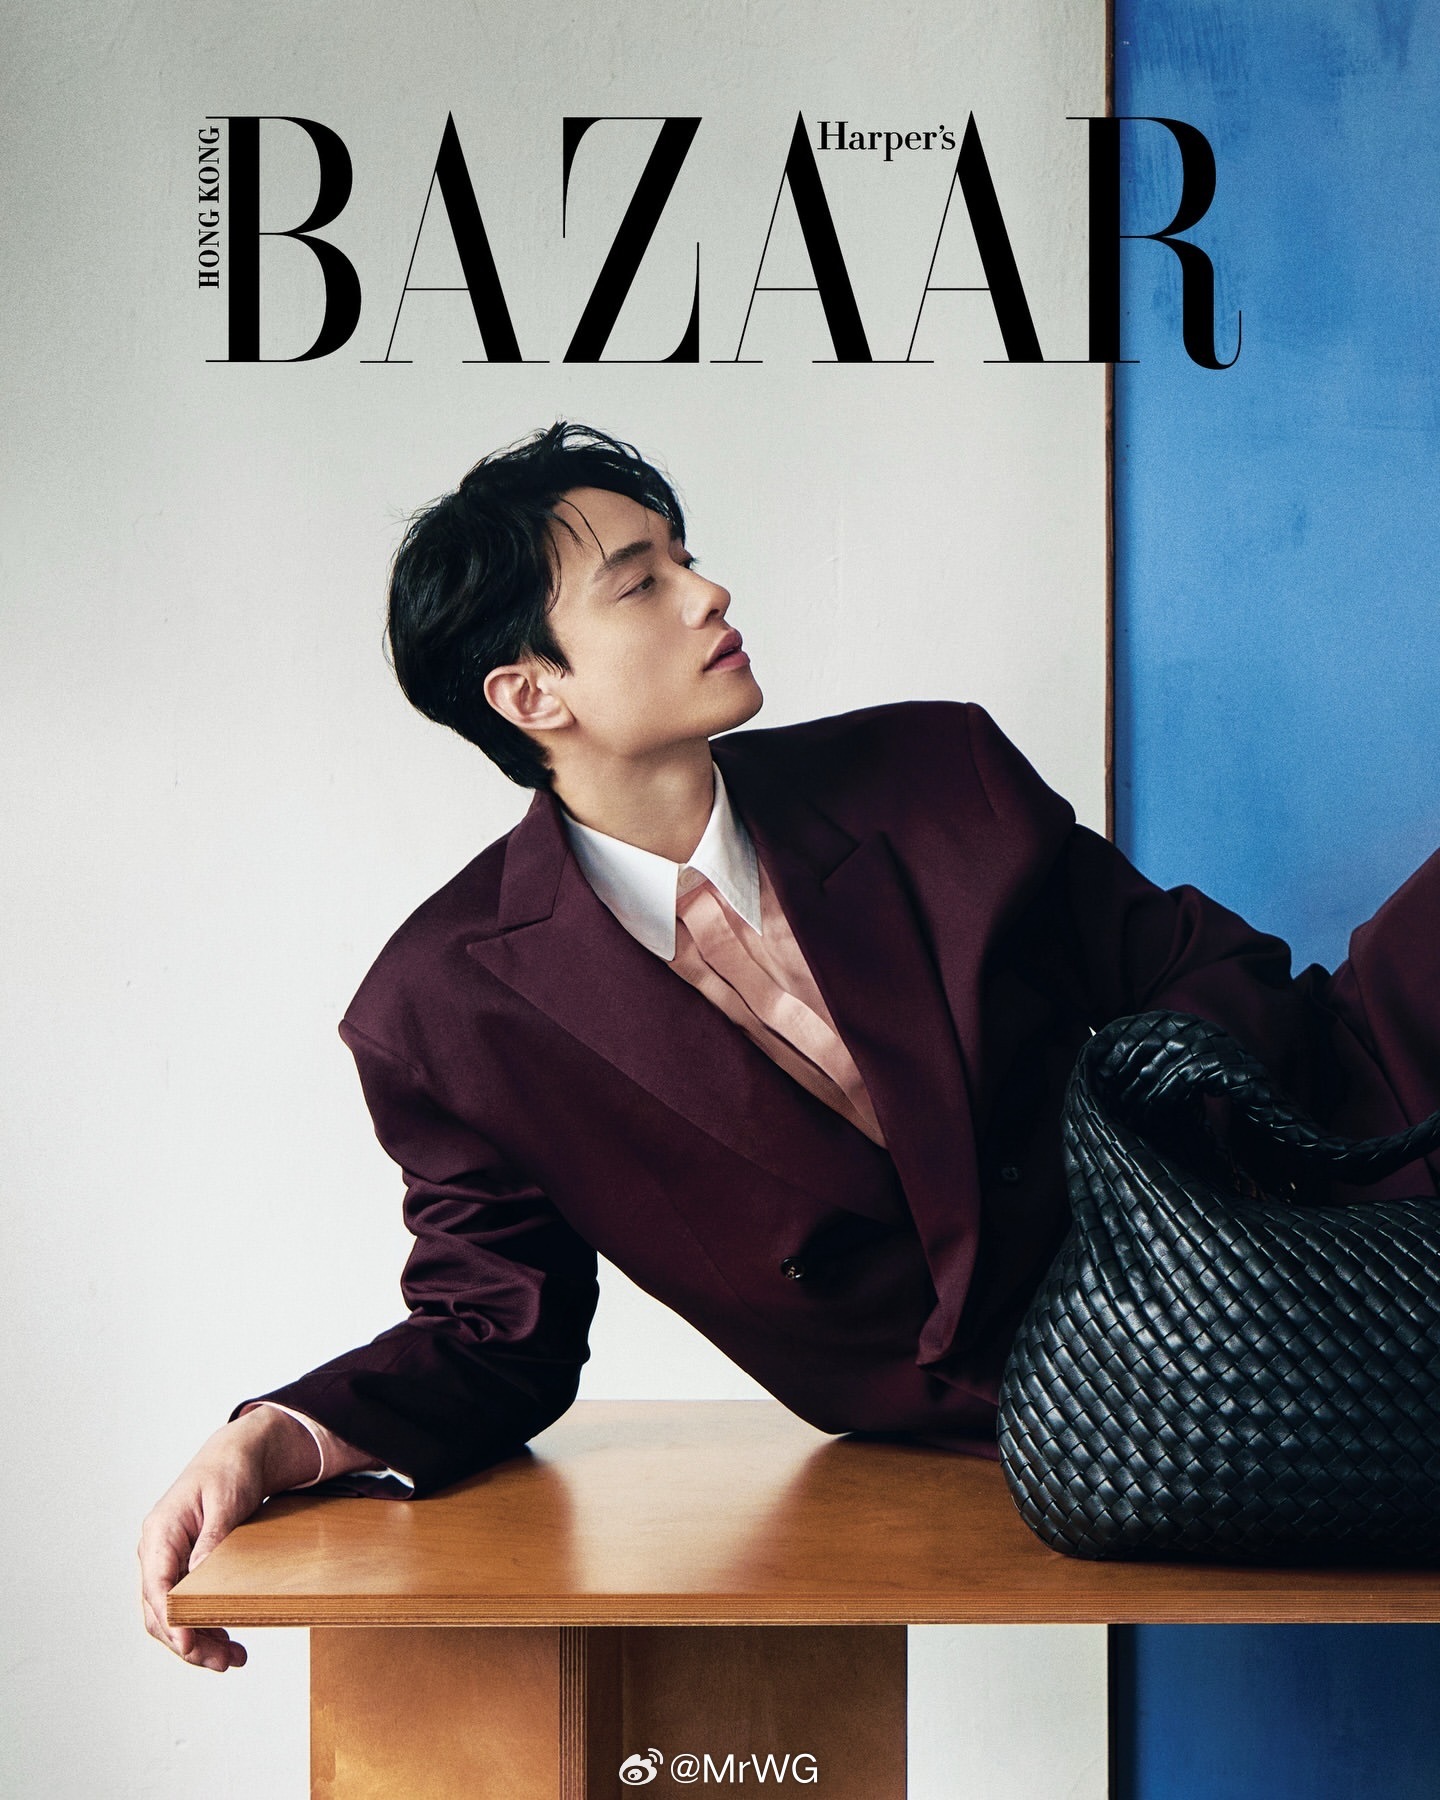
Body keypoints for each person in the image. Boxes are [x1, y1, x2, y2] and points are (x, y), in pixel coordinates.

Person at [138, 422, 1440, 1672]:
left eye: (686, 557)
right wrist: (272, 1439)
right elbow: (496, 1324)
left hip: (1260, 1203)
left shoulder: (937, 771)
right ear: (531, 693)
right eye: (642, 582)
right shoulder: (446, 1011)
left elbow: (1200, 970)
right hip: (1075, 1399)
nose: (708, 594)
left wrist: (1195, 1195)